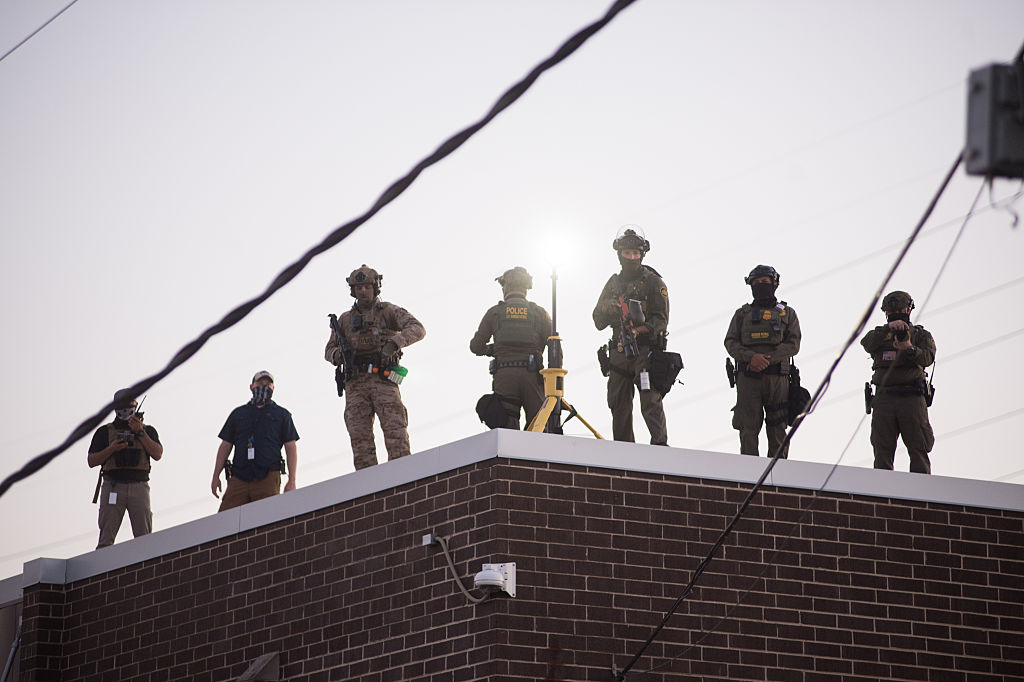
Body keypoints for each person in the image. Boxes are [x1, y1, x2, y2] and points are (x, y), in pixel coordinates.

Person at [325, 265, 426, 470]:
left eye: (367, 287)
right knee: (360, 441)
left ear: (375, 287)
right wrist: (339, 356)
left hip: (383, 380)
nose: (363, 291)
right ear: (353, 290)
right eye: (358, 287)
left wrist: (395, 343)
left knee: (396, 434)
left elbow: (417, 328)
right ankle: (367, 490)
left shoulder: (388, 311)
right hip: (356, 384)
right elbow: (329, 350)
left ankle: (402, 479)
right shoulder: (344, 320)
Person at [592, 225, 670, 445]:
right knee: (619, 403)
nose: (631, 257)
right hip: (619, 351)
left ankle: (660, 445)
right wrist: (610, 307)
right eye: (627, 254)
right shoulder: (613, 284)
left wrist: (639, 330)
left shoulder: (654, 282)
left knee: (649, 399)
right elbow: (597, 320)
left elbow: (661, 320)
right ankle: (623, 450)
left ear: (642, 254)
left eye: (635, 254)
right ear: (620, 254)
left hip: (645, 350)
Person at [724, 265, 802, 458]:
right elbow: (730, 342)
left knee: (778, 426)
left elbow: (793, 344)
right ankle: (749, 474)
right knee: (748, 427)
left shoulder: (787, 313)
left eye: (765, 282)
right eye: (756, 283)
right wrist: (751, 357)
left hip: (778, 379)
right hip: (748, 377)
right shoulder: (741, 314)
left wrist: (766, 360)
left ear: (775, 284)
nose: (760, 286)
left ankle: (779, 473)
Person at [860, 291, 936, 474]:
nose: (896, 314)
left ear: (908, 310)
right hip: (884, 398)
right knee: (882, 451)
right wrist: (888, 330)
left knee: (918, 448)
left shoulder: (920, 335)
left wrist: (909, 348)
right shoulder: (879, 334)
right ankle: (883, 495)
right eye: (891, 311)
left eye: (901, 309)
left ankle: (921, 494)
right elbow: (866, 343)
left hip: (912, 398)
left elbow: (928, 357)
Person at [470, 266, 553, 429]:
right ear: (526, 288)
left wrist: (493, 349)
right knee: (539, 427)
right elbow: (554, 345)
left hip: (504, 376)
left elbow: (476, 347)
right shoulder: (539, 313)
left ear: (505, 287)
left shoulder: (494, 313)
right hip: (533, 376)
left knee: (507, 430)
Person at [211, 371, 299, 511]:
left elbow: (291, 447)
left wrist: (292, 480)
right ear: (251, 386)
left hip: (268, 477)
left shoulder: (282, 414)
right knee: (226, 520)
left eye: (268, 384)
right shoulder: (238, 414)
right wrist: (216, 475)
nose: (264, 386)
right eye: (260, 383)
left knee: (268, 519)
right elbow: (225, 445)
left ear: (273, 388)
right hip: (239, 477)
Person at [88, 389, 164, 548]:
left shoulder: (148, 430)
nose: (125, 412)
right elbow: (92, 460)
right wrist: (112, 449)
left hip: (139, 487)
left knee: (144, 537)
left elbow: (157, 454)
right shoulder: (105, 432)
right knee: (106, 537)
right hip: (113, 486)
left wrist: (141, 433)